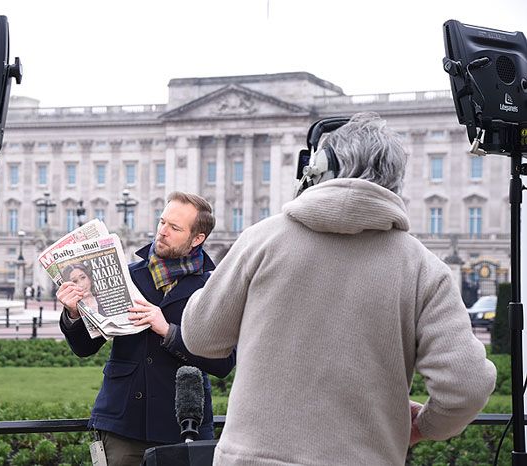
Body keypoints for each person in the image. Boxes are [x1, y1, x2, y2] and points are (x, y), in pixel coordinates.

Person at [180, 113, 496, 466]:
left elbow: (201, 337)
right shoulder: (423, 268)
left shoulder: (261, 239)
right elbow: (466, 385)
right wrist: (424, 426)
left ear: (318, 169)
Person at [57, 191, 236, 466]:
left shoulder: (213, 287)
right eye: (162, 222)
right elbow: (85, 348)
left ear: (197, 238)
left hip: (183, 425)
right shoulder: (127, 275)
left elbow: (224, 363)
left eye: (174, 228)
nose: (162, 232)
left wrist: (169, 331)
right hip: (122, 422)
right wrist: (73, 314)